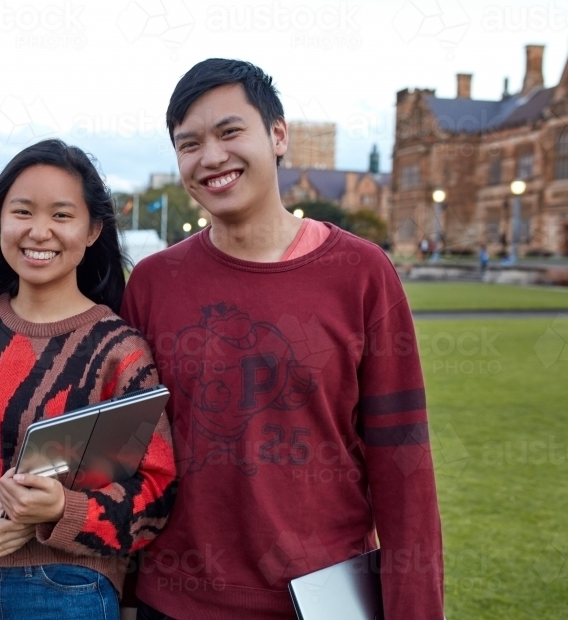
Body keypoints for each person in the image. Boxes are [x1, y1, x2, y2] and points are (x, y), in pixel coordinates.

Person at [121, 59, 443, 619]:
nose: (211, 157)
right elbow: (128, 457)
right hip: (174, 602)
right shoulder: (153, 282)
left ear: (277, 134)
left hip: (321, 601)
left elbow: (403, 469)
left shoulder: (362, 273)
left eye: (229, 132)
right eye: (189, 143)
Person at [0, 139, 177, 620]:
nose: (39, 231)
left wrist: (63, 509)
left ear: (93, 229)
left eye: (61, 215)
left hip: (70, 588)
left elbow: (155, 492)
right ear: (0, 222)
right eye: (23, 211)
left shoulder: (121, 350)